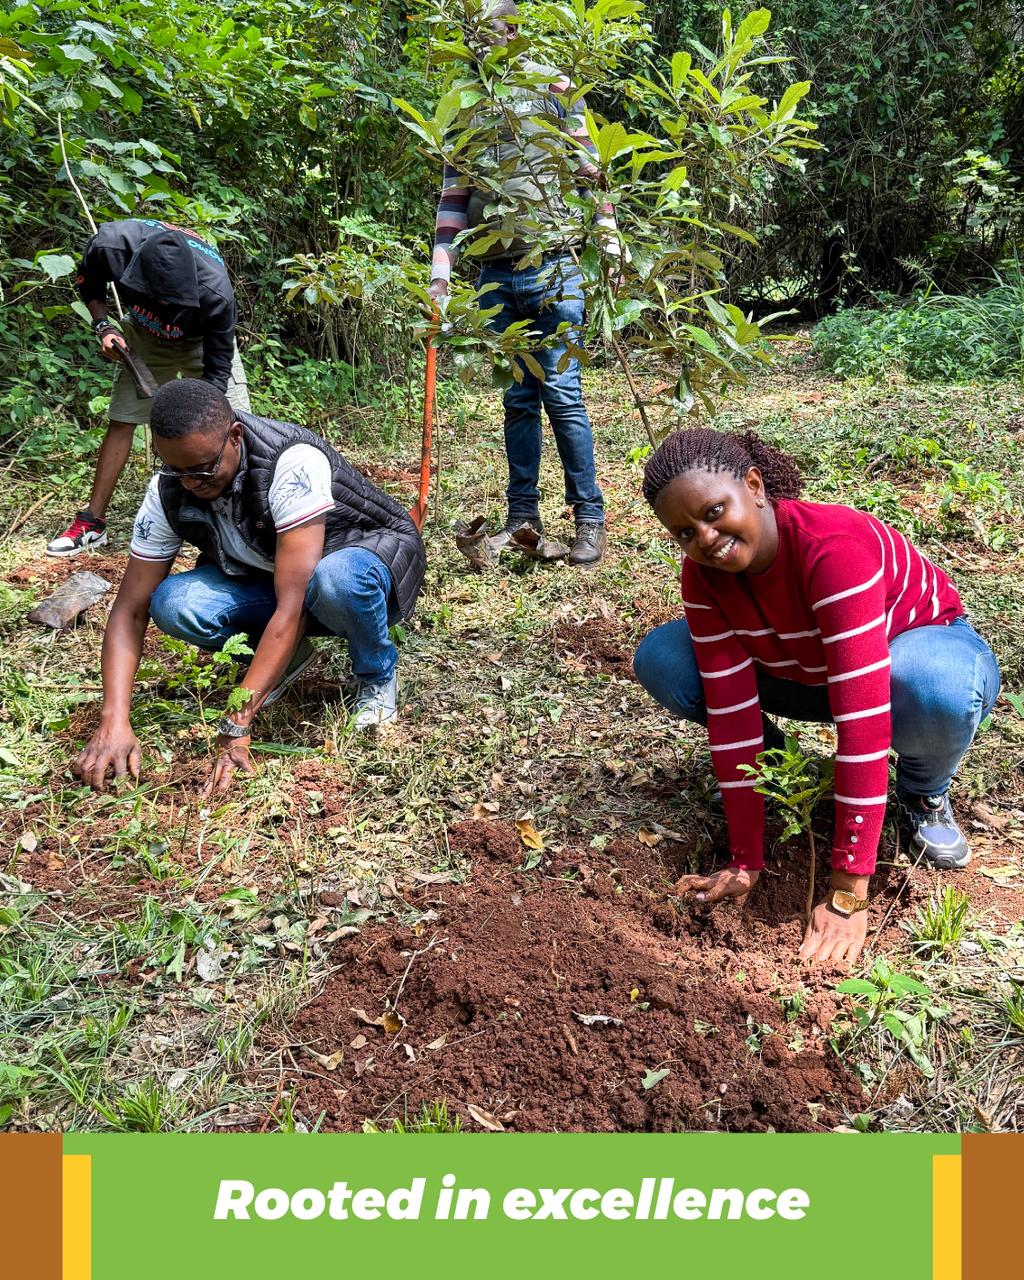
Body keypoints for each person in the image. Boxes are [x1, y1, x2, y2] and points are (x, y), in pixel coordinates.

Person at [633, 427, 1000, 965]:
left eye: (714, 512)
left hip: (908, 661)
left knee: (934, 688)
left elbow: (864, 723)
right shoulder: (704, 578)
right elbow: (731, 714)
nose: (705, 539)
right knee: (665, 659)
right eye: (685, 533)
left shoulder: (833, 550)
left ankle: (922, 791)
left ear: (754, 486)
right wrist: (744, 858)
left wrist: (848, 892)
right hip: (810, 672)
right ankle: (782, 769)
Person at [71, 379, 426, 795]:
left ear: (235, 437)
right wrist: (114, 718)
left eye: (201, 470)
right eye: (175, 469)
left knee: (337, 581)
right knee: (173, 602)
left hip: (364, 561)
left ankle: (376, 672)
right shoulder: (167, 490)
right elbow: (130, 609)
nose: (189, 483)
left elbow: (291, 607)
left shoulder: (291, 463)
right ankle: (288, 658)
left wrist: (237, 718)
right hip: (270, 573)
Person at [428, 0, 620, 567]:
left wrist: (606, 236)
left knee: (562, 396)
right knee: (517, 400)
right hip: (494, 273)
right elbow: (454, 198)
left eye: (486, 29)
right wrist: (441, 273)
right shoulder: (465, 105)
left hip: (554, 264)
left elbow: (590, 168)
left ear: (512, 30)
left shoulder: (555, 87)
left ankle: (589, 520)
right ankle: (522, 520)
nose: (477, 40)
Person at [47, 218, 251, 556]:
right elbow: (90, 285)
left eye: (173, 304)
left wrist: (196, 422)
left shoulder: (215, 293)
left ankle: (237, 518)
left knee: (233, 421)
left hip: (201, 340)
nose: (166, 310)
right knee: (122, 417)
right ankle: (92, 523)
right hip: (143, 336)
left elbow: (217, 374)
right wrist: (103, 327)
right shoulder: (111, 247)